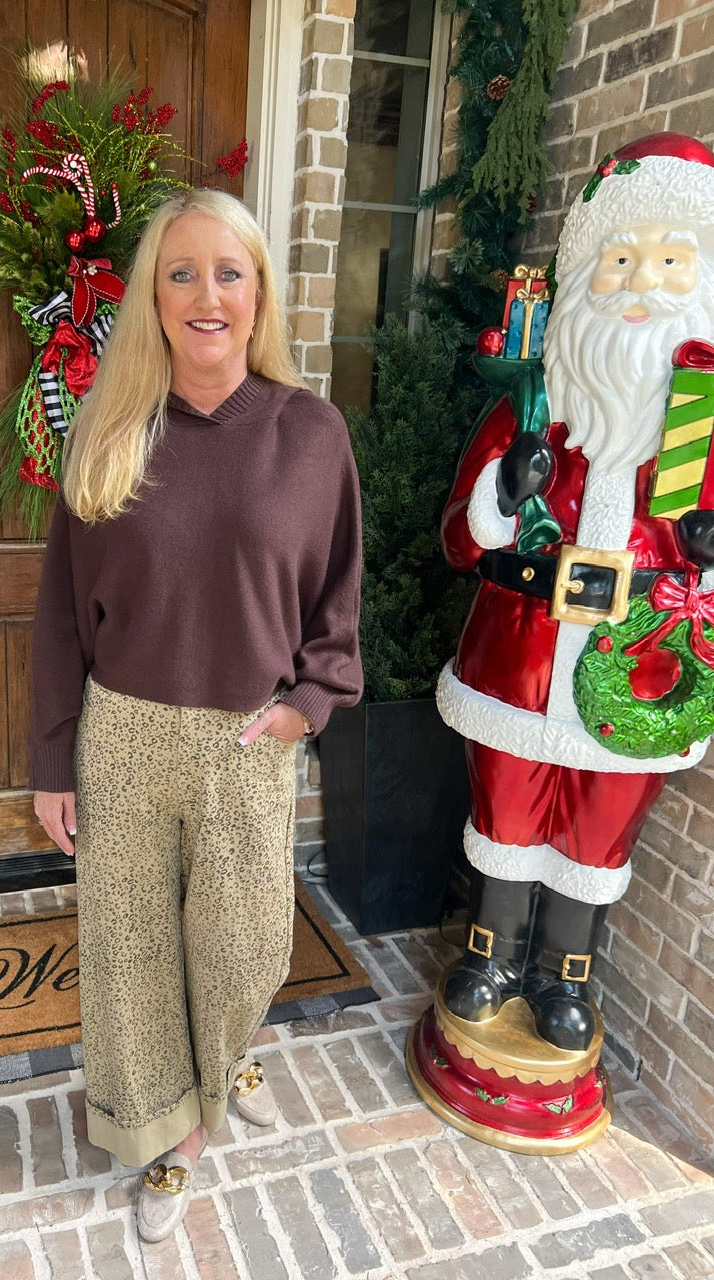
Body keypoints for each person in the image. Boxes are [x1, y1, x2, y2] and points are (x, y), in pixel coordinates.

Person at [27, 187, 362, 1241]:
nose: (206, 295)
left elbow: (337, 598)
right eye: (181, 274)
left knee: (241, 943)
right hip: (123, 732)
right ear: (154, 298)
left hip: (246, 738)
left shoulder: (311, 434)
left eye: (229, 272)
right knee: (131, 952)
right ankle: (173, 1135)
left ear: (258, 293)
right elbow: (58, 613)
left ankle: (228, 1053)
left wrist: (308, 705)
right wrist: (54, 757)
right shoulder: (109, 429)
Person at [436, 133, 714, 1054]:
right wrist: (501, 492)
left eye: (670, 263)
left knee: (599, 825)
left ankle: (568, 975)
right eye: (620, 261)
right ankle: (490, 956)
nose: (640, 287)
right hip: (517, 663)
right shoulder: (533, 407)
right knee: (508, 811)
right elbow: (458, 538)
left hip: (638, 667)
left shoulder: (701, 431)